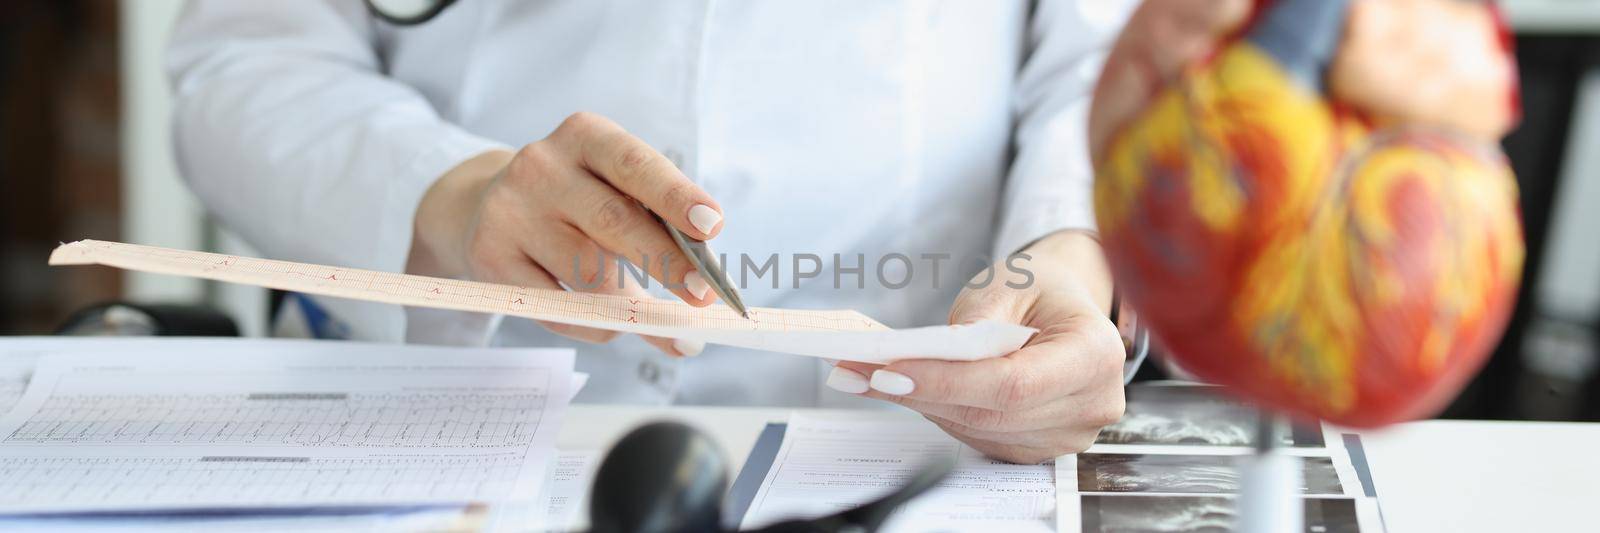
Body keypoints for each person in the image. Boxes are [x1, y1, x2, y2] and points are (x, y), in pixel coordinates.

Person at [166, 0, 1135, 463]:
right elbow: (244, 60)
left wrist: (1066, 250)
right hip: (426, 416)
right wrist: (450, 195)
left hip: (903, 443)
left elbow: (1102, 65)